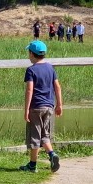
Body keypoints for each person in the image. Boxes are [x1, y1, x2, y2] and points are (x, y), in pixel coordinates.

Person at [21, 40, 62, 173]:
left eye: (29, 52)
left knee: (35, 136)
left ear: (32, 54)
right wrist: (59, 104)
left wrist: (26, 109)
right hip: (49, 106)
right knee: (45, 135)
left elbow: (29, 90)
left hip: (36, 107)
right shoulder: (50, 68)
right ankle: (52, 154)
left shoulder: (31, 70)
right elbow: (57, 86)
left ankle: (32, 166)